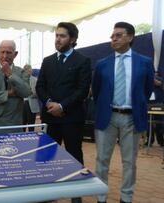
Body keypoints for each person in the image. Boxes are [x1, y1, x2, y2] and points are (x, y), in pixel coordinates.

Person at [92, 22, 154, 203]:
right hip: (107, 117)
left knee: (129, 162)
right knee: (102, 159)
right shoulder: (102, 64)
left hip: (132, 119)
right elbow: (96, 91)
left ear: (130, 37)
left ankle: (126, 198)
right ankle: (101, 196)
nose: (113, 39)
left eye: (118, 35)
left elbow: (147, 88)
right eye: (112, 36)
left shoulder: (145, 62)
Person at [36, 22, 91, 203]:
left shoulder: (82, 61)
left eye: (62, 36)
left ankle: (76, 195)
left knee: (74, 155)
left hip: (72, 118)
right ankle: (47, 194)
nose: (58, 39)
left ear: (73, 39)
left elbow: (82, 90)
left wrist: (62, 106)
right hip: (50, 117)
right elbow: (40, 86)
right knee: (47, 155)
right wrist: (50, 103)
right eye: (57, 35)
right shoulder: (48, 60)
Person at [145, 71, 164, 147]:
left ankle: (161, 140)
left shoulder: (160, 79)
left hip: (159, 104)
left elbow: (159, 83)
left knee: (160, 123)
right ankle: (150, 140)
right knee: (148, 123)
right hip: (149, 104)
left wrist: (152, 79)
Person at [22, 64, 40, 132]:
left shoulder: (35, 80)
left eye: (30, 71)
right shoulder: (20, 80)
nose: (29, 72)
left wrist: (31, 93)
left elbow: (38, 93)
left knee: (31, 123)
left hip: (32, 104)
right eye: (27, 71)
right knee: (22, 123)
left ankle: (31, 137)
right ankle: (21, 137)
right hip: (22, 104)